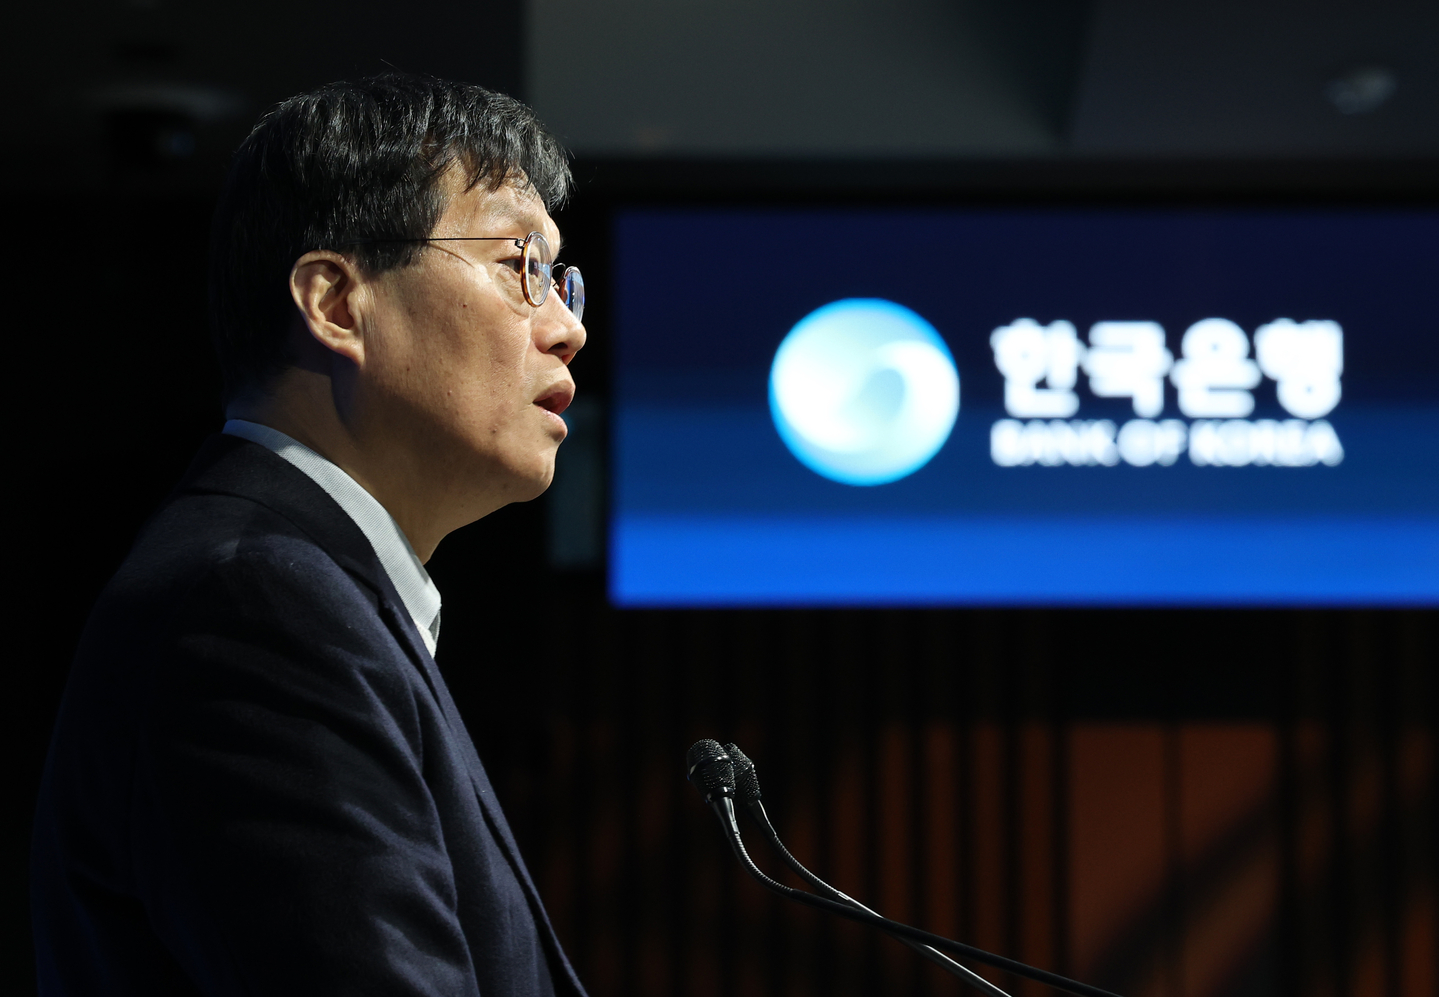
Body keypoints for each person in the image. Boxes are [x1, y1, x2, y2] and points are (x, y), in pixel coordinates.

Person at [31, 74, 589, 996]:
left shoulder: (301, 588)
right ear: (336, 302)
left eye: (561, 278)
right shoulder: (257, 603)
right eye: (516, 264)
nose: (565, 327)